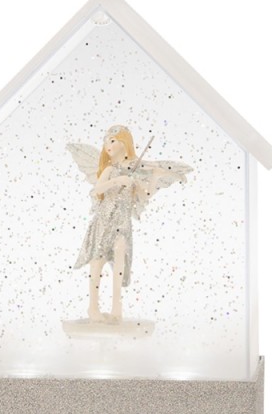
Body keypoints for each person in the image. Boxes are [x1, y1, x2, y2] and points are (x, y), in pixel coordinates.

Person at [71, 125, 192, 324]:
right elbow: (97, 190)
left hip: (122, 224)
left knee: (120, 259)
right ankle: (93, 307)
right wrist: (117, 181)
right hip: (104, 221)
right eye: (106, 142)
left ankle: (116, 309)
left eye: (112, 141)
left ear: (124, 143)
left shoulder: (134, 173)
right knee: (98, 261)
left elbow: (145, 195)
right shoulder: (110, 170)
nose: (108, 145)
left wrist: (155, 176)